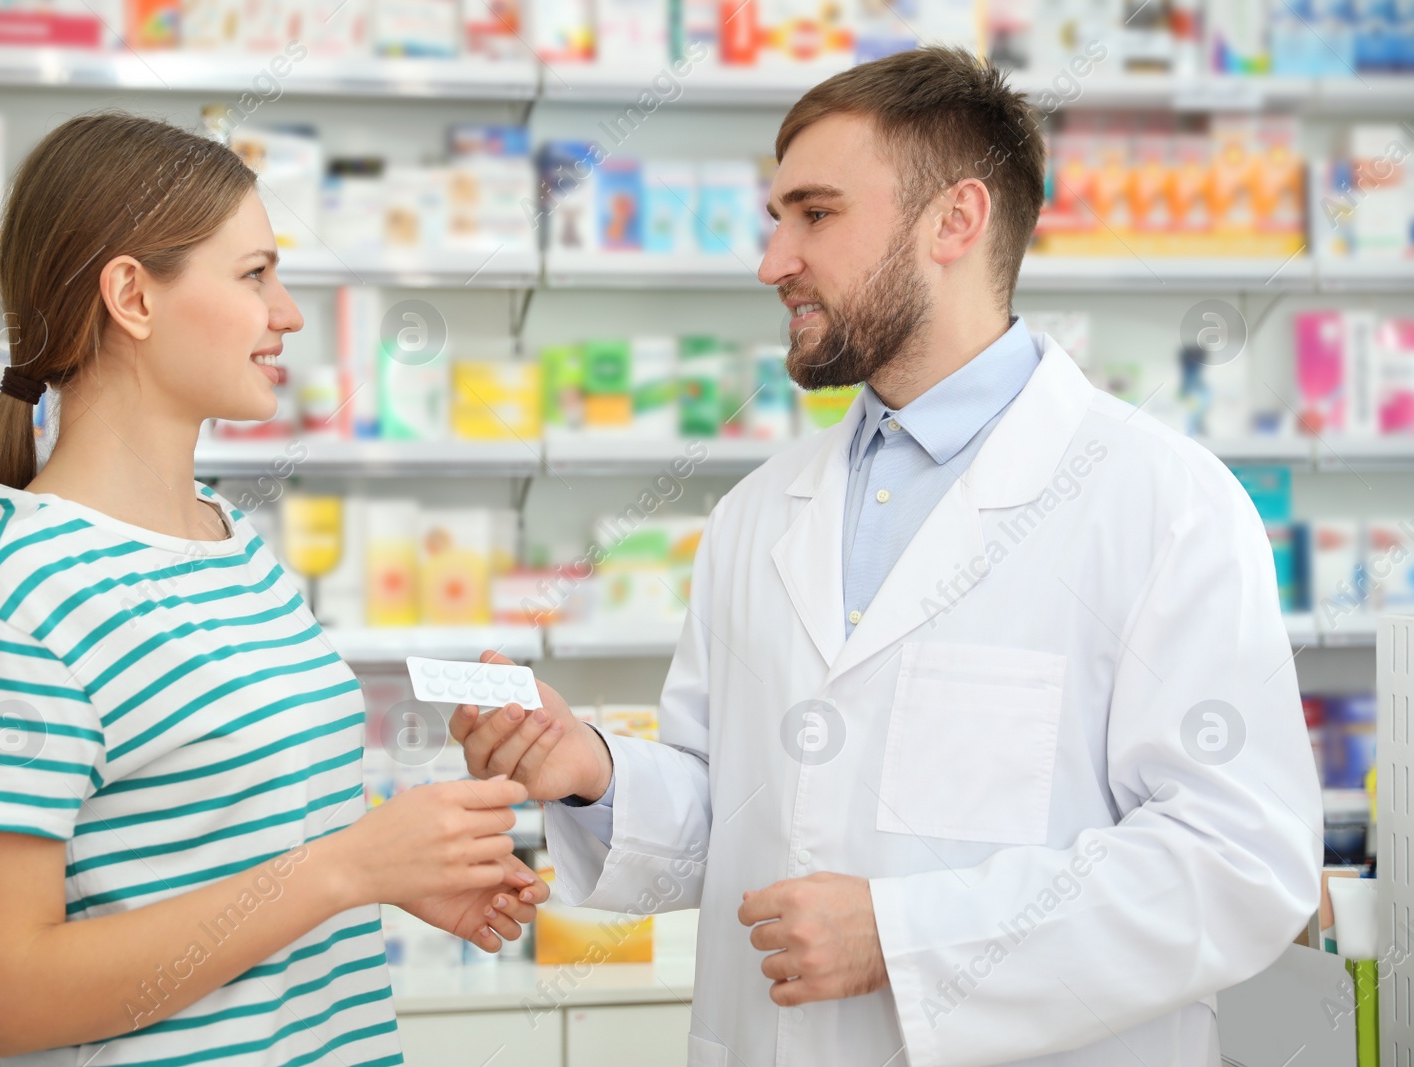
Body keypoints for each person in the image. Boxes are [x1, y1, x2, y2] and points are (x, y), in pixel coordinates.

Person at [452, 47, 1321, 1067]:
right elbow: (740, 808)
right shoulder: (757, 513)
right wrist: (592, 772)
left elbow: (1237, 860)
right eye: (777, 217)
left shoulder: (1159, 502)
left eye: (814, 214)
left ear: (955, 221)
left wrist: (906, 937)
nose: (772, 260)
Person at [0, 112, 544, 1066]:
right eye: (255, 275)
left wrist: (397, 872)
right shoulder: (18, 590)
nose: (287, 312)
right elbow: (10, 997)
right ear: (131, 294)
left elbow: (244, 847)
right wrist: (344, 870)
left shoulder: (228, 538)